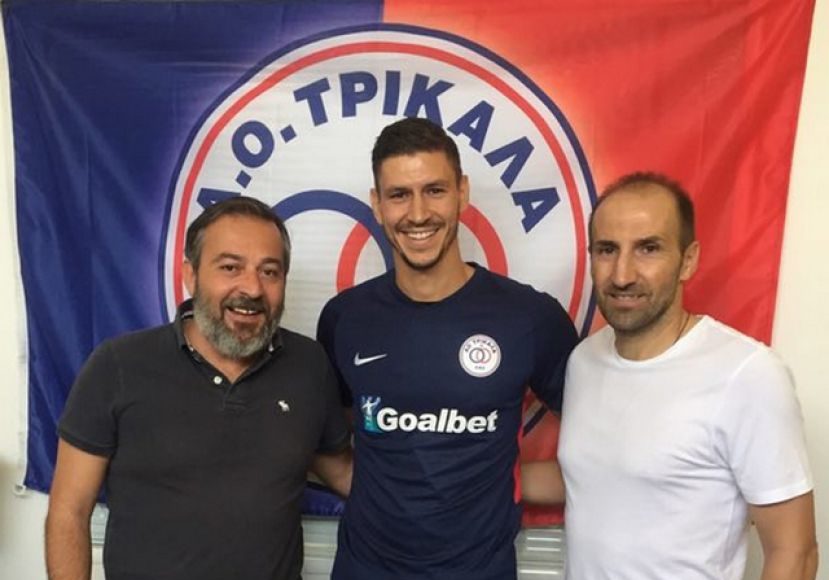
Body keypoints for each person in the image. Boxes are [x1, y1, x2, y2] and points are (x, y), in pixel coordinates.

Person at [316, 117, 578, 579]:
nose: (418, 214)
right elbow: (316, 433)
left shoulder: (529, 317)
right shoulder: (344, 318)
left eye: (434, 190)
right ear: (377, 205)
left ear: (463, 192)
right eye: (399, 195)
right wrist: (377, 490)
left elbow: (604, 440)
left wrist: (503, 479)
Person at [525, 172, 817, 579]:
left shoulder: (748, 374)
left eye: (648, 248)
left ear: (688, 260)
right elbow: (592, 476)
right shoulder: (584, 360)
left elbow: (795, 552)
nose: (622, 274)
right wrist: (457, 465)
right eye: (607, 249)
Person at [45, 197, 353, 580]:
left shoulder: (309, 365)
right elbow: (69, 511)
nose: (252, 288)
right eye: (230, 267)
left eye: (269, 271)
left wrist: (421, 488)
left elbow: (342, 471)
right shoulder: (117, 365)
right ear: (190, 275)